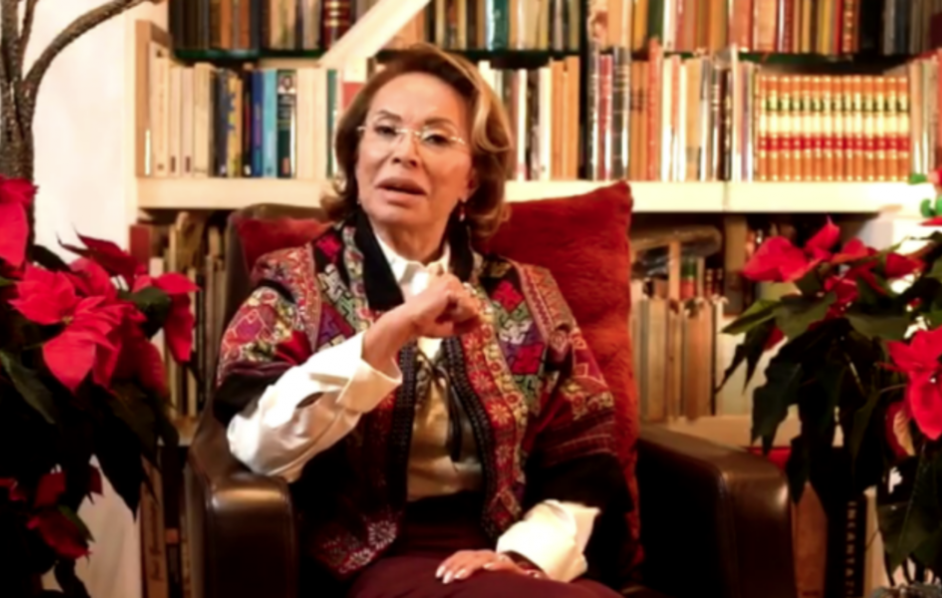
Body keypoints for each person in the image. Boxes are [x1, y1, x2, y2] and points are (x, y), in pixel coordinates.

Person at [213, 43, 633, 598]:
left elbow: (585, 459)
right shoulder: (294, 282)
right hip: (367, 561)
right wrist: (388, 334)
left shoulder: (528, 293)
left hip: (511, 560)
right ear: (356, 154)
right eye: (385, 130)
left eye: (435, 137)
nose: (404, 153)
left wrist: (523, 555)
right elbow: (259, 446)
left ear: (471, 180)